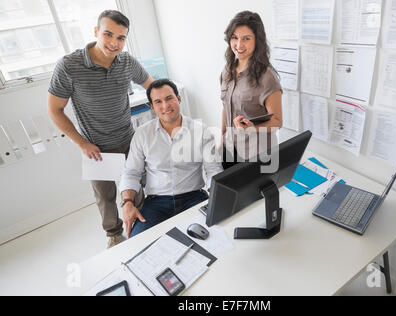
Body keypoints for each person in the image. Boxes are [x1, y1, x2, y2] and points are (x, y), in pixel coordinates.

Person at [48, 10, 153, 248]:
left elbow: (151, 85)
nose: (114, 43)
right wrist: (82, 143)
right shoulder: (68, 66)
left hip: (129, 140)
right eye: (108, 34)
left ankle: (141, 226)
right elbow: (55, 110)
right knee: (106, 198)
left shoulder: (127, 62)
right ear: (96, 32)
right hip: (96, 147)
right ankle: (115, 235)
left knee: (136, 189)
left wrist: (163, 107)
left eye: (121, 37)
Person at [119, 79, 223, 238]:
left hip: (194, 198)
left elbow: (213, 170)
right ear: (152, 107)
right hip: (156, 203)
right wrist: (127, 203)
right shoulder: (142, 134)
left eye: (169, 98)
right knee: (138, 241)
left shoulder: (201, 131)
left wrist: (216, 198)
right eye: (158, 102)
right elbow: (131, 173)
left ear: (179, 99)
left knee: (214, 236)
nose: (165, 106)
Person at [220, 11, 283, 169]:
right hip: (230, 147)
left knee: (253, 194)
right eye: (235, 37)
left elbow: (277, 122)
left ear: (257, 41)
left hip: (256, 153)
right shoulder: (227, 70)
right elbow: (225, 107)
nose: (239, 45)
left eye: (246, 38)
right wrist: (222, 137)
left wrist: (252, 128)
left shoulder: (267, 77)